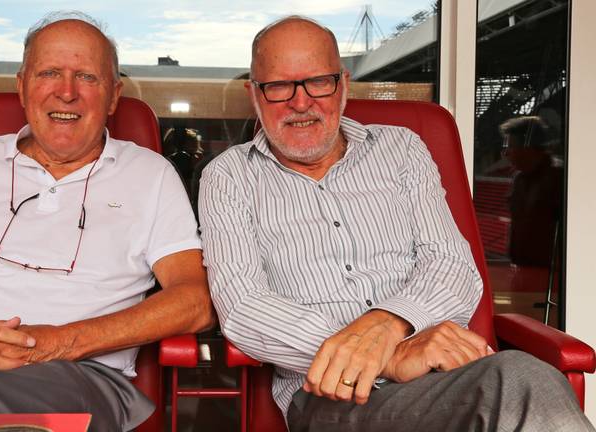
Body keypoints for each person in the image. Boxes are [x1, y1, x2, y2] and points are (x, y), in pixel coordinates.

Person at [198, 16, 593, 431]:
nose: (301, 103)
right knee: (521, 381)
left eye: (319, 82)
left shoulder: (402, 149)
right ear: (254, 95)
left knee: (523, 382)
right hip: (338, 393)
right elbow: (243, 307)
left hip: (449, 378)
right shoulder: (228, 177)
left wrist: (388, 323)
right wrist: (391, 355)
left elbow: (452, 266)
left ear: (344, 85)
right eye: (279, 86)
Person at [0, 11, 215, 431]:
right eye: (49, 73)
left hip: (80, 376)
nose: (67, 93)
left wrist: (56, 342)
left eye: (86, 77)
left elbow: (194, 302)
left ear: (114, 95)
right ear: (23, 87)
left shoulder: (149, 174)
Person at [500, 115, 563, 267]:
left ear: (528, 147)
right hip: (524, 269)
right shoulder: (519, 179)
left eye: (511, 147)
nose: (506, 153)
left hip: (550, 277)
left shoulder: (560, 178)